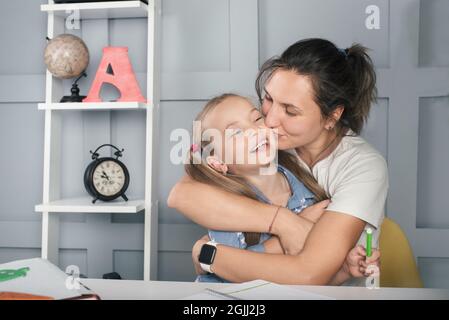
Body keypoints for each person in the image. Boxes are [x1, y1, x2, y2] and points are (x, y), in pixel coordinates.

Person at [168, 38, 388, 285]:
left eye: (290, 111)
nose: (269, 119)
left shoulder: (362, 166)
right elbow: (181, 195)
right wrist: (287, 222)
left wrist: (206, 255)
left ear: (332, 116)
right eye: (268, 99)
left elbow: (308, 273)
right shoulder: (265, 144)